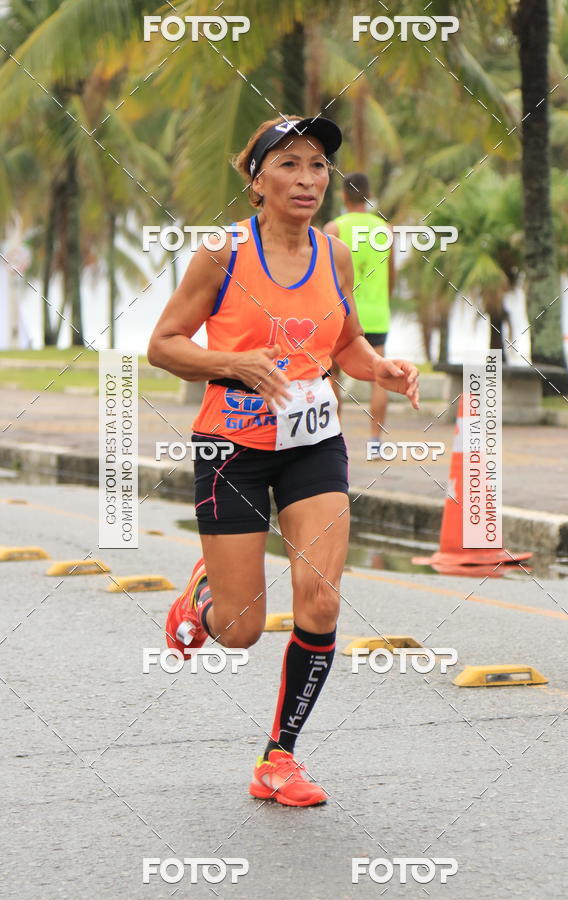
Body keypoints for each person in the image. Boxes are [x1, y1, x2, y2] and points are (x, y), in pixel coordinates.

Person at [147, 115, 419, 808]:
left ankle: (280, 757)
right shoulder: (221, 253)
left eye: (318, 166)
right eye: (290, 164)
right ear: (257, 178)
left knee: (321, 600)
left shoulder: (335, 255)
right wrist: (230, 361)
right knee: (239, 632)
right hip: (230, 444)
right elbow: (165, 345)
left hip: (312, 441)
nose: (307, 179)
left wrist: (382, 369)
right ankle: (204, 593)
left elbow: (346, 344)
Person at [324, 173, 394, 458]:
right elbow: (391, 275)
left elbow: (323, 276)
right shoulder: (384, 229)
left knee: (332, 375)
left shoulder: (334, 228)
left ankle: (334, 439)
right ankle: (375, 442)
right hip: (377, 313)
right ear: (368, 195)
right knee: (380, 376)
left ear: (343, 196)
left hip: (341, 311)